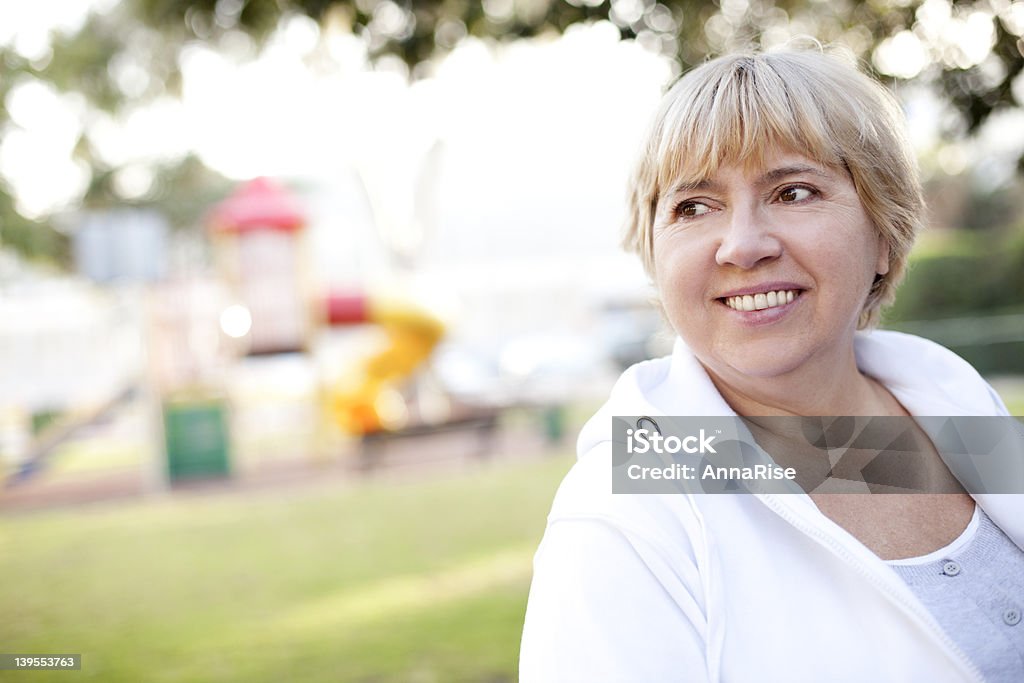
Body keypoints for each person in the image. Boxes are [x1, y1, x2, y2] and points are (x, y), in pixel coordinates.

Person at [519, 48, 1024, 682]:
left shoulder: (952, 399)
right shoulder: (621, 516)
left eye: (793, 191)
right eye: (694, 207)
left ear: (883, 233)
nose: (743, 245)